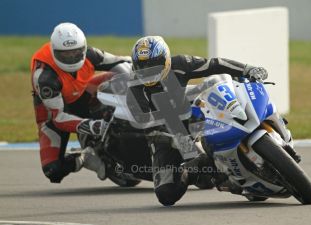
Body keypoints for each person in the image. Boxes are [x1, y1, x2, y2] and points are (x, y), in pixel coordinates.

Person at [130, 36, 268, 206]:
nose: (148, 72)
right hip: (164, 136)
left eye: (153, 66)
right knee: (166, 195)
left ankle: (258, 132)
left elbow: (215, 64)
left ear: (165, 60)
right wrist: (177, 142)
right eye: (142, 67)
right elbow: (150, 129)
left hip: (192, 116)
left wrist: (248, 69)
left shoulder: (180, 63)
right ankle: (193, 170)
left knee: (221, 92)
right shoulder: (135, 88)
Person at [30, 22, 131, 183]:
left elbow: (122, 61)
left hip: (83, 95)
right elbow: (59, 118)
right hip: (53, 115)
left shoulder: (91, 54)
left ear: (83, 48)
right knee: (53, 170)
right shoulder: (44, 76)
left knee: (122, 76)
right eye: (65, 55)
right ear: (53, 51)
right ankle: (85, 157)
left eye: (75, 53)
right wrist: (92, 126)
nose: (71, 58)